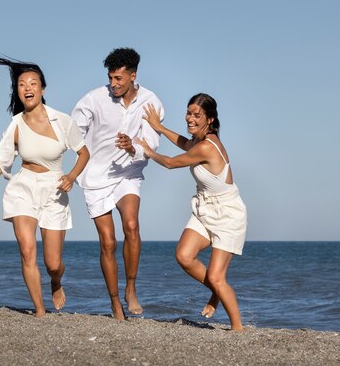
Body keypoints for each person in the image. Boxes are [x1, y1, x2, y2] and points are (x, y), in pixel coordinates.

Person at [0, 56, 90, 318]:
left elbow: (84, 153)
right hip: (23, 187)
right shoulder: (15, 124)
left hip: (55, 189)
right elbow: (0, 161)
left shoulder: (62, 121)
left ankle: (56, 282)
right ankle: (39, 310)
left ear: (42, 89)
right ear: (18, 91)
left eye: (33, 83)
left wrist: (71, 176)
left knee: (53, 264)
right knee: (27, 250)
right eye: (22, 84)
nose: (27, 88)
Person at [136, 93, 247, 331]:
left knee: (217, 277)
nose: (190, 118)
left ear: (210, 119)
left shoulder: (207, 146)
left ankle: (238, 328)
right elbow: (184, 143)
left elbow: (171, 163)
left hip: (227, 213)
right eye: (189, 113)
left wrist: (147, 150)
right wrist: (159, 127)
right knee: (184, 256)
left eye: (197, 115)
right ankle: (217, 291)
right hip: (205, 207)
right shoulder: (199, 141)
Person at [71, 47, 163, 320]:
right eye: (110, 78)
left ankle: (131, 288)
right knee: (108, 242)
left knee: (132, 226)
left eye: (119, 79)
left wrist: (132, 146)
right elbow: (73, 129)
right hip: (96, 176)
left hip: (128, 173)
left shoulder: (150, 101)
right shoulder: (94, 99)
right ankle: (114, 303)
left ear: (133, 76)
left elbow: (153, 142)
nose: (113, 84)